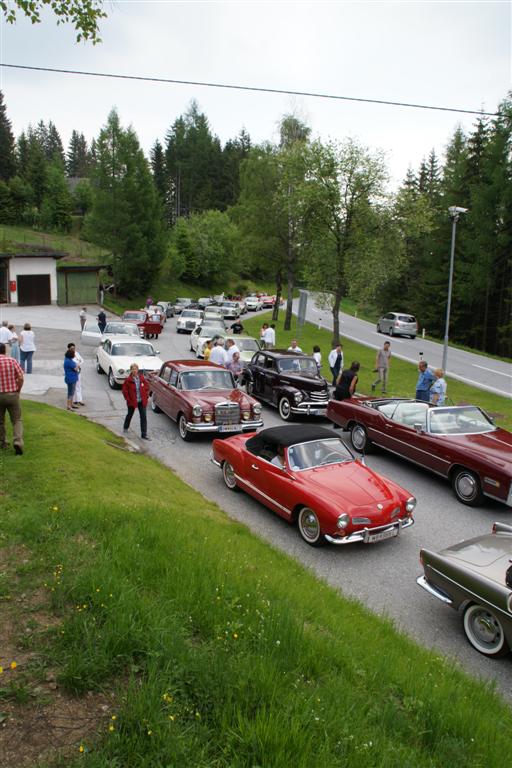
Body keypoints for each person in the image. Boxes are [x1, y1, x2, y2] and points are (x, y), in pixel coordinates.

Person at [0, 342, 24, 455]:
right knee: (16, 420)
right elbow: (20, 377)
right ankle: (18, 442)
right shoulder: (12, 360)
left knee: (0, 421)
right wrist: (18, 389)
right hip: (12, 394)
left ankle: (3, 442)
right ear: (4, 350)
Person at [122, 363, 150, 440]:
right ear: (131, 370)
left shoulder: (141, 378)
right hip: (132, 401)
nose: (134, 371)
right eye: (133, 369)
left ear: (137, 370)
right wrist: (128, 399)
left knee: (143, 417)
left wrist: (146, 396)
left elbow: (147, 386)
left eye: (135, 369)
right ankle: (125, 427)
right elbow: (124, 391)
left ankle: (144, 434)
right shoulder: (128, 380)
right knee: (130, 414)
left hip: (142, 401)